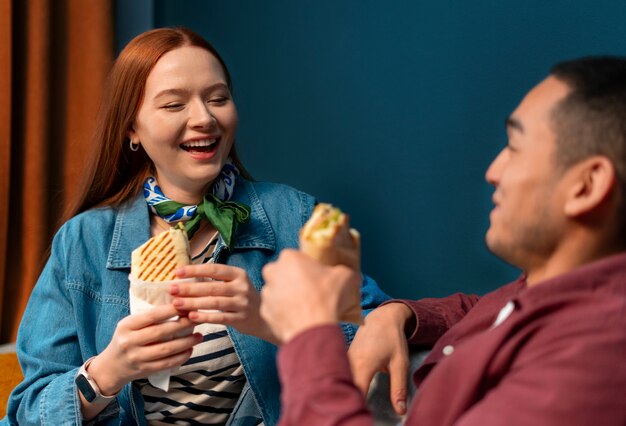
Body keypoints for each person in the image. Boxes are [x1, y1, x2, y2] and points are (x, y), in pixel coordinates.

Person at [3, 27, 390, 425]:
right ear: (131, 129)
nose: (204, 118)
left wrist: (275, 323)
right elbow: (27, 411)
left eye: (218, 99)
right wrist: (106, 373)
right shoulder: (82, 242)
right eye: (174, 105)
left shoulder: (296, 216)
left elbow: (376, 346)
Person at [260, 56, 626, 425]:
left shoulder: (592, 360)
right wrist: (399, 315)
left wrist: (309, 335)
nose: (493, 172)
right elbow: (487, 311)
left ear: (586, 186)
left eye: (514, 147)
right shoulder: (550, 287)